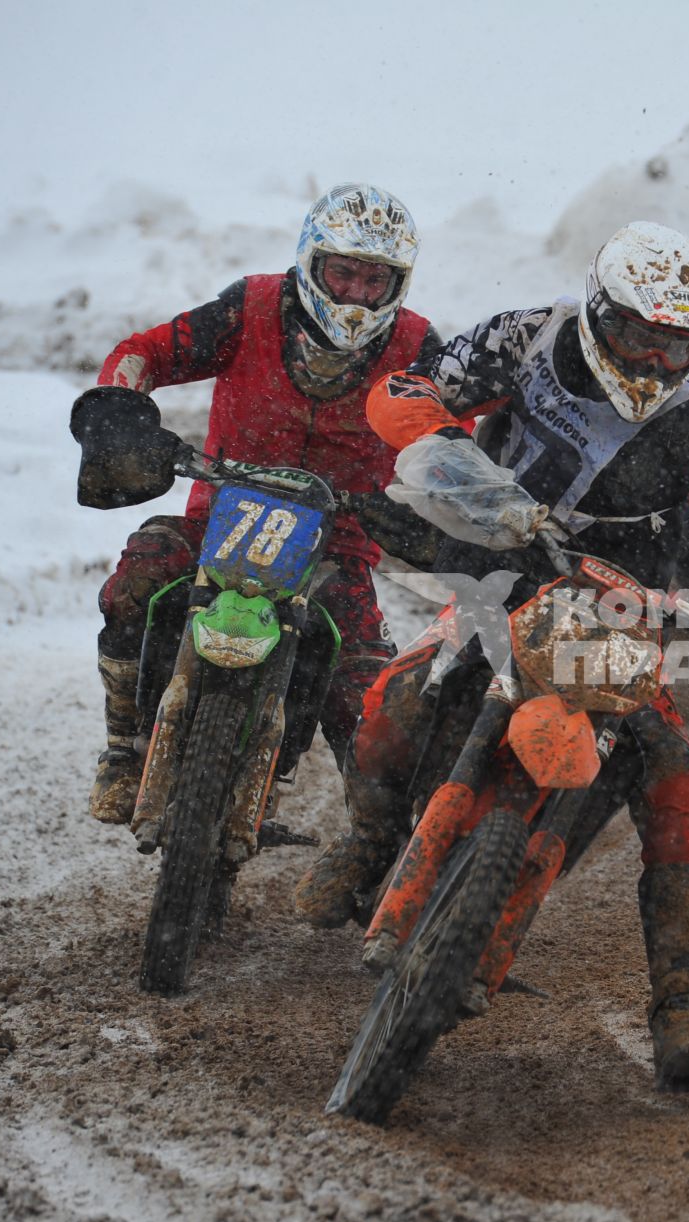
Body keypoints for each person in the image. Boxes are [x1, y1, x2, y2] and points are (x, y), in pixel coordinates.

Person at [292, 221, 689, 1092]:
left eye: (676, 346)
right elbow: (409, 388)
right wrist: (440, 446)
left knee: (679, 778)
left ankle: (683, 1002)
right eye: (639, 337)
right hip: (503, 570)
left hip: (625, 611)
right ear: (601, 311)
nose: (653, 363)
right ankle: (368, 839)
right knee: (398, 695)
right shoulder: (527, 337)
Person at [80, 184, 445, 824]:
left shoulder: (418, 348)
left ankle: (372, 845)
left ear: (399, 285)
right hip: (216, 522)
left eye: (375, 280)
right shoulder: (249, 308)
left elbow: (453, 430)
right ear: (311, 262)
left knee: (370, 698)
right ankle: (122, 748)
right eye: (344, 272)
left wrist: (450, 492)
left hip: (339, 546)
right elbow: (147, 352)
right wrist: (120, 409)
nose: (357, 293)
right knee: (132, 585)